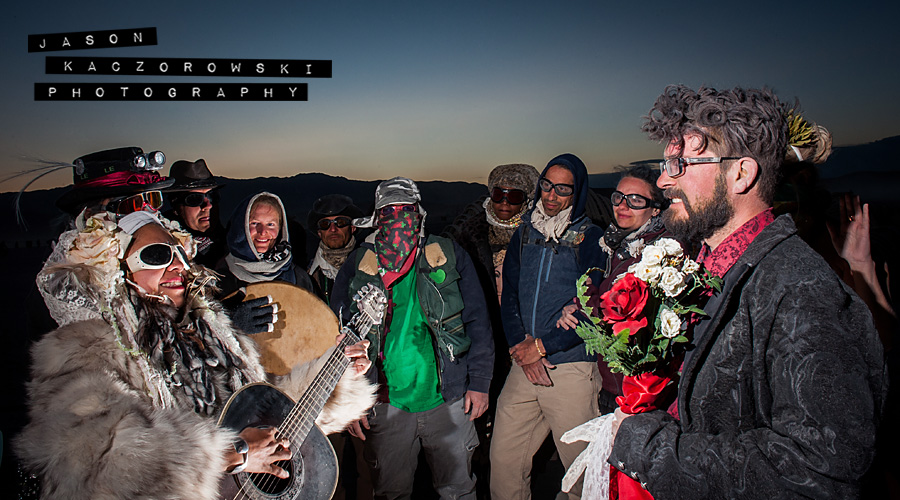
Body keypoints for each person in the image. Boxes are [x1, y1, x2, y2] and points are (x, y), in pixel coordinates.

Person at [608, 85, 887, 498]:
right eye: (665, 163)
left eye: (680, 163)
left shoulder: (801, 290)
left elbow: (820, 473)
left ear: (741, 173)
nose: (664, 180)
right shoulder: (705, 262)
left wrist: (647, 445)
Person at [14, 210, 376, 499]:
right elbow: (95, 461)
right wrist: (234, 454)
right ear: (116, 270)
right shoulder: (87, 347)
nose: (178, 267)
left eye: (180, 254)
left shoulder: (210, 329)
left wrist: (336, 372)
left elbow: (266, 406)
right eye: (156, 255)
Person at [330, 177, 495, 499]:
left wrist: (480, 382)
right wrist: (350, 401)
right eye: (389, 212)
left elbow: (478, 321)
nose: (398, 220)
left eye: (406, 211)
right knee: (391, 492)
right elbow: (339, 339)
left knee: (458, 490)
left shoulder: (446, 255)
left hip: (448, 398)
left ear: (419, 214)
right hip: (385, 404)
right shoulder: (359, 265)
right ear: (376, 219)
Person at [490, 153, 607, 500]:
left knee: (580, 474)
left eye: (562, 189)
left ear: (577, 193)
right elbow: (509, 294)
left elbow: (596, 306)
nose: (551, 195)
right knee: (504, 461)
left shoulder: (591, 239)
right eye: (546, 185)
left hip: (570, 366)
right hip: (523, 364)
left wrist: (543, 347)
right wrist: (523, 348)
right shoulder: (525, 233)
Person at [557, 165, 672, 414]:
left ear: (655, 209)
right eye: (618, 197)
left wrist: (583, 307)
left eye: (636, 200)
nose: (622, 206)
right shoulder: (619, 245)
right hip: (615, 382)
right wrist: (581, 305)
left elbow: (625, 315)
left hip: (639, 391)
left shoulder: (657, 255)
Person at [217, 191, 314, 297]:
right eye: (255, 223)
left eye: (270, 224)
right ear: (241, 227)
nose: (263, 232)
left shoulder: (298, 277)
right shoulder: (220, 278)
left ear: (280, 228)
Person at [163, 158, 227, 268]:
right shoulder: (164, 247)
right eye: (195, 199)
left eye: (212, 196)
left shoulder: (233, 240)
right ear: (176, 207)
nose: (207, 205)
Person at [307, 194, 364, 304]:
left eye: (340, 222)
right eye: (325, 224)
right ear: (319, 232)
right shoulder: (308, 277)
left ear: (352, 228)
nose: (333, 229)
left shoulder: (370, 264)